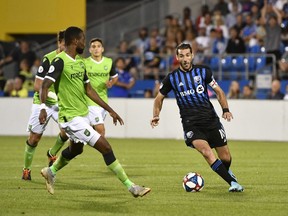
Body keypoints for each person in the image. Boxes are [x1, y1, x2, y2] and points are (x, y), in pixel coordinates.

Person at [39, 26, 150, 197]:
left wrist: (111, 110)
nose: (85, 43)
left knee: (76, 150)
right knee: (106, 147)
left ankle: (51, 171)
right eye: (83, 39)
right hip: (71, 118)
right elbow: (44, 85)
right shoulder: (60, 61)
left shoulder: (80, 62)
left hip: (82, 115)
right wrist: (43, 108)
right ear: (75, 41)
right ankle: (132, 187)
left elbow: (89, 90)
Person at [150, 43, 244, 192]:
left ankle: (227, 173)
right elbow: (158, 99)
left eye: (188, 55)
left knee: (226, 157)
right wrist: (156, 115)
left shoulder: (203, 72)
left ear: (192, 55)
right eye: (181, 56)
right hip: (191, 124)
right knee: (207, 152)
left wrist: (225, 109)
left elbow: (219, 91)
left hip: (211, 120)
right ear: (177, 57)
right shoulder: (172, 78)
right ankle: (233, 183)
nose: (185, 58)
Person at [21, 30, 68, 180]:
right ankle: (26, 169)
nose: (66, 47)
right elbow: (37, 85)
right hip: (43, 102)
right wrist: (51, 95)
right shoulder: (48, 59)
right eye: (64, 43)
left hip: (61, 103)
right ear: (59, 43)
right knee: (35, 138)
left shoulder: (73, 60)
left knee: (67, 132)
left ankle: (52, 153)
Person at [85, 38, 118, 137]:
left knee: (90, 130)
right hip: (89, 100)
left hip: (103, 101)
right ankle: (105, 152)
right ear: (90, 50)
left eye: (98, 46)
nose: (96, 49)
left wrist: (111, 83)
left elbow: (115, 77)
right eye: (93, 46)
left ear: (102, 49)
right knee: (101, 130)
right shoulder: (84, 63)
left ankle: (71, 149)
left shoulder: (108, 62)